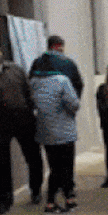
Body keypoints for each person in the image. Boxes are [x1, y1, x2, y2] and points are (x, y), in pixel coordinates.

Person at [0, 40, 44, 215]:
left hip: (24, 118)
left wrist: (37, 114)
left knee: (33, 156)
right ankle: (3, 201)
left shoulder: (16, 70)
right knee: (2, 162)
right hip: (0, 121)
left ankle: (36, 190)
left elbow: (29, 92)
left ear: (0, 52)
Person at [30, 35, 83, 198]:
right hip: (64, 120)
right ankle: (68, 190)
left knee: (53, 161)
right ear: (57, 46)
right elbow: (77, 89)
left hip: (44, 123)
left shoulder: (35, 74)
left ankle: (50, 191)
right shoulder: (65, 71)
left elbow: (30, 96)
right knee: (67, 159)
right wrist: (72, 108)